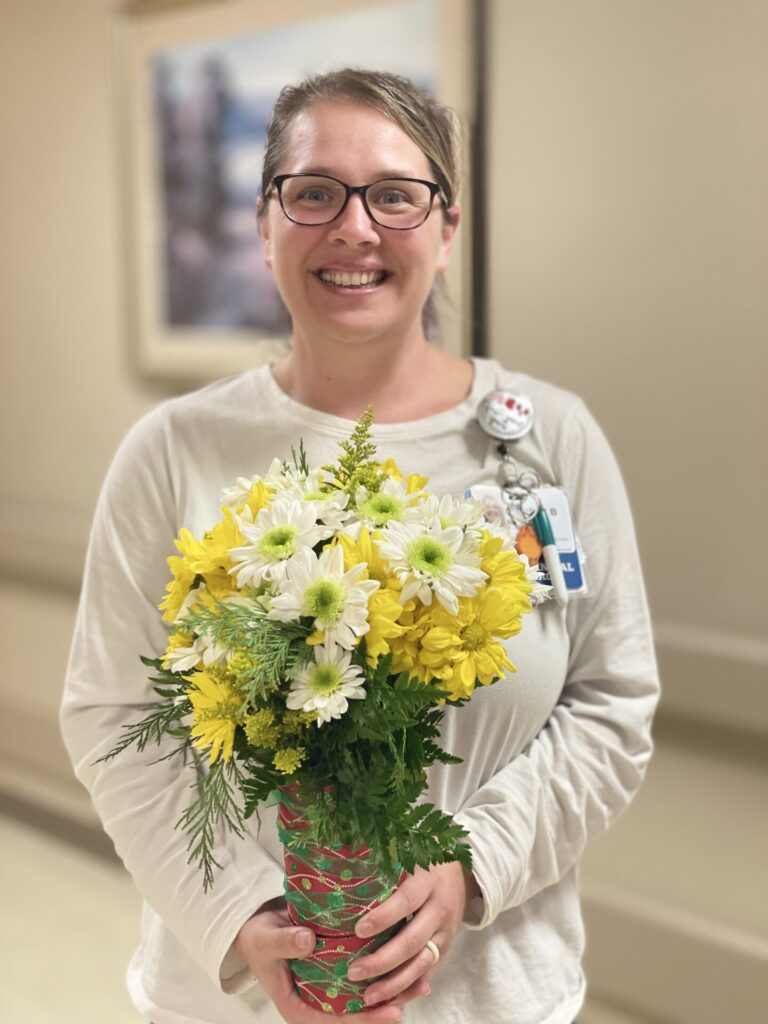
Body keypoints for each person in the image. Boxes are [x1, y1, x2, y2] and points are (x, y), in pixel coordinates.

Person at [61, 68, 659, 1024]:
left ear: (447, 229)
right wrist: (239, 913)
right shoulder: (174, 452)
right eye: (312, 193)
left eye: (395, 194)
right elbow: (111, 719)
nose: (355, 227)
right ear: (264, 224)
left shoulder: (550, 439)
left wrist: (474, 860)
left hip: (491, 997)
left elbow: (611, 704)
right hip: (243, 999)